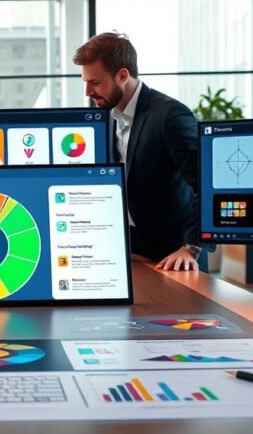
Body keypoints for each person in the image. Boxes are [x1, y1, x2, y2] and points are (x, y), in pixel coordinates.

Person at [74, 32, 204, 271]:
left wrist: (191, 247)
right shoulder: (105, 117)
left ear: (122, 75)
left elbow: (206, 184)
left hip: (175, 256)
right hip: (129, 251)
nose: (87, 92)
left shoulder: (170, 116)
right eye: (85, 82)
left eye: (95, 82)